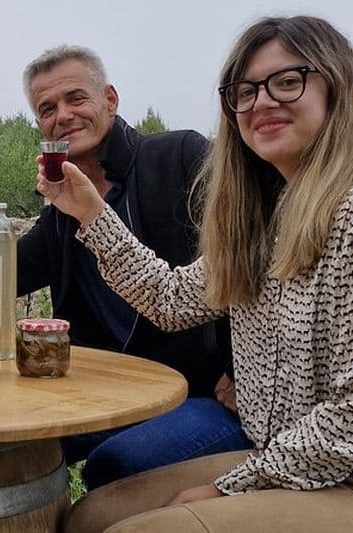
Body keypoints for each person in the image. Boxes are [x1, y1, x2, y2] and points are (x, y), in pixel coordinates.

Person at [35, 15, 353, 532]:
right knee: (91, 516)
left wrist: (229, 487)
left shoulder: (347, 215)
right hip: (276, 457)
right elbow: (170, 299)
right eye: (244, 92)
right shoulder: (267, 222)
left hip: (336, 472)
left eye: (287, 81)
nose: (262, 102)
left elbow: (348, 422)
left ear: (338, 86)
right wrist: (92, 214)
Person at [18, 45, 250, 488]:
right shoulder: (61, 211)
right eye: (47, 108)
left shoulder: (180, 157)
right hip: (108, 393)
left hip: (200, 391)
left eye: (76, 98)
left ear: (111, 99)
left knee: (115, 462)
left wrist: (240, 371)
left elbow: (244, 264)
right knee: (15, 443)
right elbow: (2, 273)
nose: (63, 115)